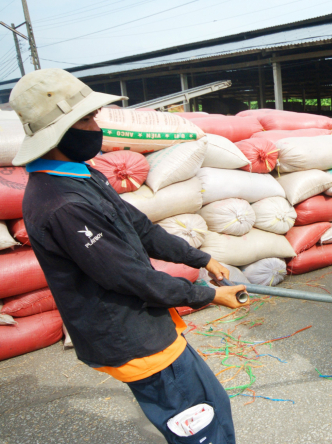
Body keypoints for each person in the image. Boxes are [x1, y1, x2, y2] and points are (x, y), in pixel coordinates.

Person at [10, 68, 246, 444]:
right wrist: (208, 295)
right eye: (86, 118)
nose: (97, 123)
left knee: (210, 406)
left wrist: (199, 259)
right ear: (59, 130)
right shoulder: (62, 205)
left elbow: (141, 227)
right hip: (129, 336)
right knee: (200, 426)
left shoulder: (81, 176)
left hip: (147, 326)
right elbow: (129, 276)